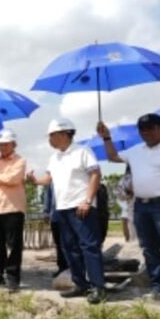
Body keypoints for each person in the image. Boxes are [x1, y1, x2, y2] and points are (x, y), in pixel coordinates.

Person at [98, 114, 160, 308]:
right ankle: (158, 288)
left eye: (150, 129)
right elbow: (113, 157)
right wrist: (107, 138)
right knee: (149, 250)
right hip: (141, 205)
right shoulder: (136, 151)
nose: (146, 133)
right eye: (142, 130)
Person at [29, 118, 106, 304]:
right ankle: (80, 283)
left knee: (89, 246)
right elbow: (48, 178)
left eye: (52, 135)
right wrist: (35, 181)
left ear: (64, 134)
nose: (50, 140)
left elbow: (95, 174)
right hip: (62, 208)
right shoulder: (54, 157)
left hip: (80, 206)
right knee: (69, 248)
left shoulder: (82, 151)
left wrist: (88, 200)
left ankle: (98, 287)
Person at [0, 129, 27, 291]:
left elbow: (13, 179)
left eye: (6, 144)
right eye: (0, 145)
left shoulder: (20, 161)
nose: (3, 147)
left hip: (13, 208)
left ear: (14, 144)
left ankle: (13, 278)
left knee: (14, 245)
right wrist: (2, 178)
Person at [40, 181, 67, 277]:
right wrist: (46, 212)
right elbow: (48, 195)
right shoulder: (53, 178)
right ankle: (62, 267)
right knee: (59, 244)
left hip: (70, 215)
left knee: (71, 244)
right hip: (55, 215)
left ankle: (75, 269)